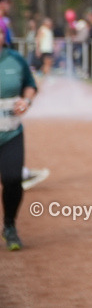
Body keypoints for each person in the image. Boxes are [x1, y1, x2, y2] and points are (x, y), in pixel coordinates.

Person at [0, 38, 38, 251]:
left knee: (13, 179)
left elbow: (30, 85)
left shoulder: (15, 60)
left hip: (11, 132)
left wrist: (26, 101)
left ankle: (9, 225)